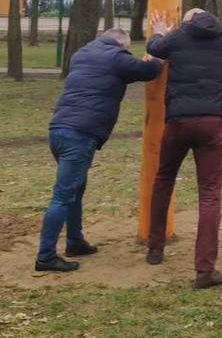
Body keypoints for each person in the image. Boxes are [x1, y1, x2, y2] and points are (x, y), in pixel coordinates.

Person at [35, 27, 162, 273]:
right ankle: (46, 256)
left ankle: (75, 241)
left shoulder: (81, 54)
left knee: (75, 190)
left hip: (58, 129)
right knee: (62, 195)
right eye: (125, 48)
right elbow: (150, 71)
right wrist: (156, 56)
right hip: (80, 134)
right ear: (121, 44)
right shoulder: (116, 57)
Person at [145, 7, 222, 288]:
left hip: (179, 121)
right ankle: (205, 270)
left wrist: (161, 32)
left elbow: (155, 48)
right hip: (213, 122)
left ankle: (155, 247)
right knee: (210, 195)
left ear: (186, 23)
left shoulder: (179, 37)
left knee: (163, 179)